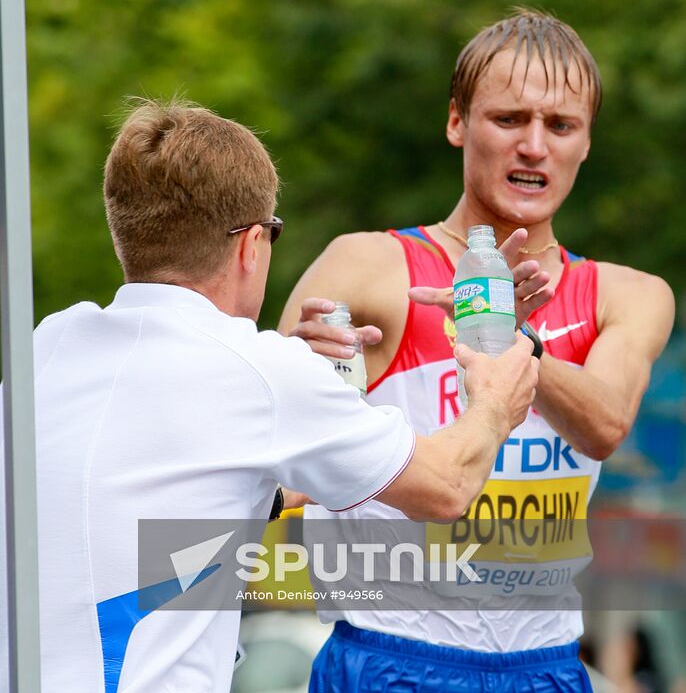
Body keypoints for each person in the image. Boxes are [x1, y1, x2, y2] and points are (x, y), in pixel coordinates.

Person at [0, 98, 540, 693]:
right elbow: (447, 487)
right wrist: (496, 400)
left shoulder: (49, 344)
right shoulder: (261, 371)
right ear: (250, 244)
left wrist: (299, 421)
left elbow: (178, 485)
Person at [280, 10, 675, 693]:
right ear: (457, 122)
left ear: (586, 144)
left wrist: (507, 336)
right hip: (391, 654)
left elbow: (607, 425)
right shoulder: (370, 267)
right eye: (509, 119)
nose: (533, 146)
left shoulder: (625, 294)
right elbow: (272, 446)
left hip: (544, 667)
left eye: (560, 126)